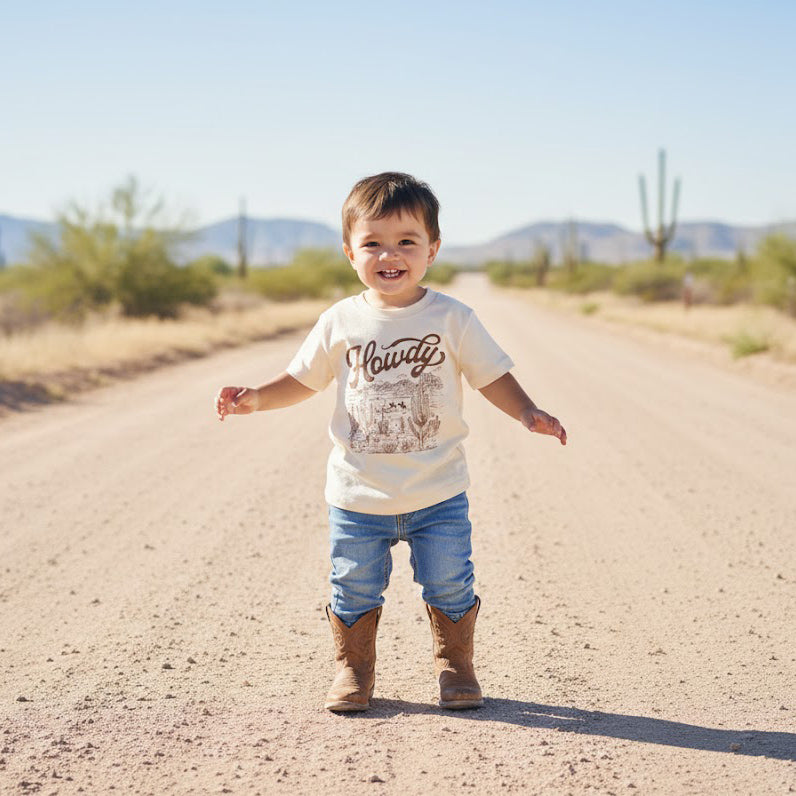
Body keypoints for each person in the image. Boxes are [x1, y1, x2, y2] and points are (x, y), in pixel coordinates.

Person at [215, 172, 567, 712]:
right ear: (349, 251)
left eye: (406, 242)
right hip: (358, 496)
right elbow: (303, 380)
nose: (390, 255)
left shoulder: (452, 317)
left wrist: (526, 411)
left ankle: (456, 667)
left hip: (439, 492)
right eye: (373, 243)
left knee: (450, 583)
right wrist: (255, 398)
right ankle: (353, 670)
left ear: (433, 249)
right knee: (352, 586)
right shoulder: (340, 321)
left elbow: (490, 374)